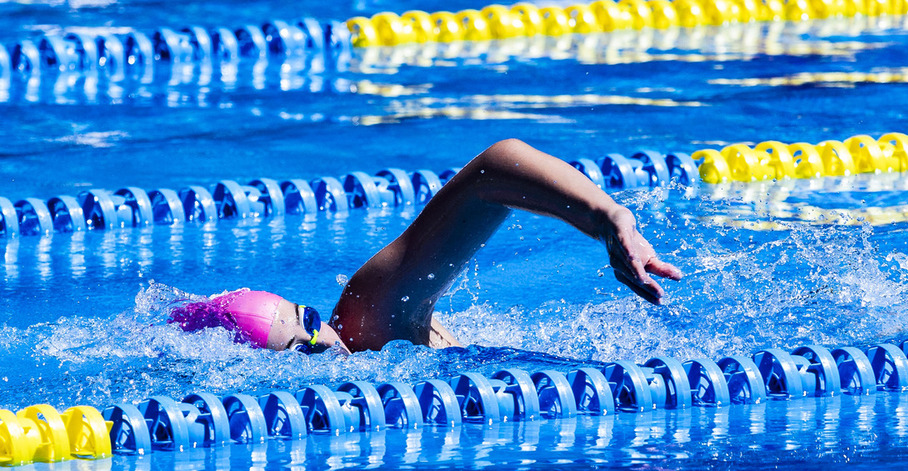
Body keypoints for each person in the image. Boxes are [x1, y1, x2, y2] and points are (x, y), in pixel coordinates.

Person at [170, 139, 683, 355]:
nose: (325, 336)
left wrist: (610, 218)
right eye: (301, 344)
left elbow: (496, 169)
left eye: (307, 316)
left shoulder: (368, 322)